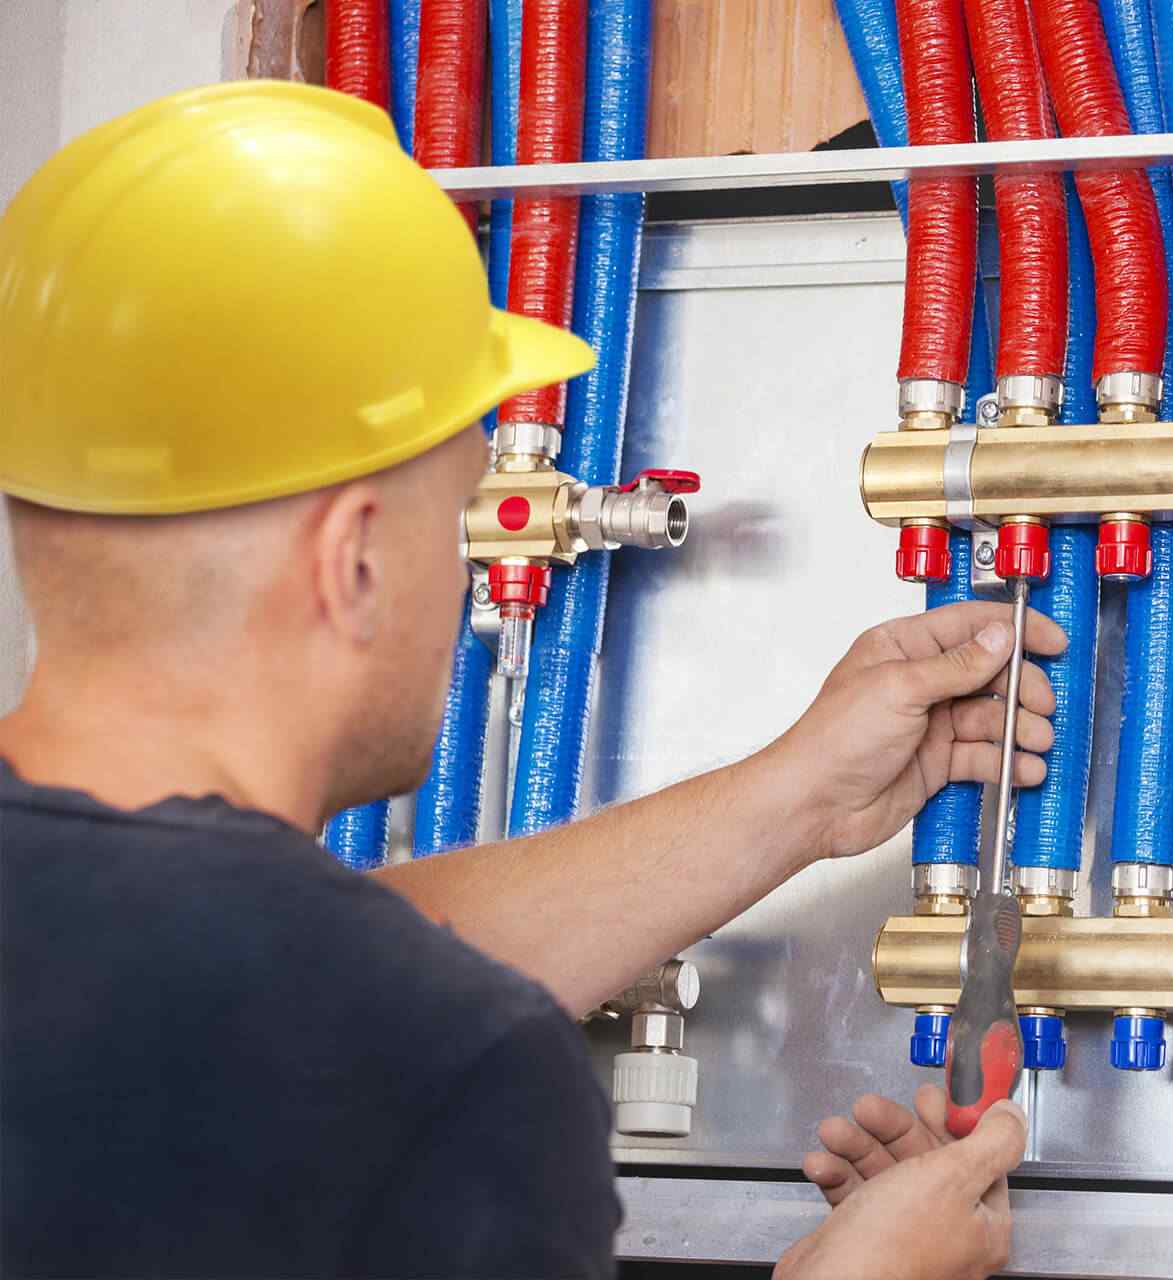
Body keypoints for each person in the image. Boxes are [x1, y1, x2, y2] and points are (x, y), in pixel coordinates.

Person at [0, 82, 1057, 1279]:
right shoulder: (457, 1081)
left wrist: (800, 797)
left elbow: (284, 969)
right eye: (458, 515)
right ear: (352, 559)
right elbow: (341, 994)